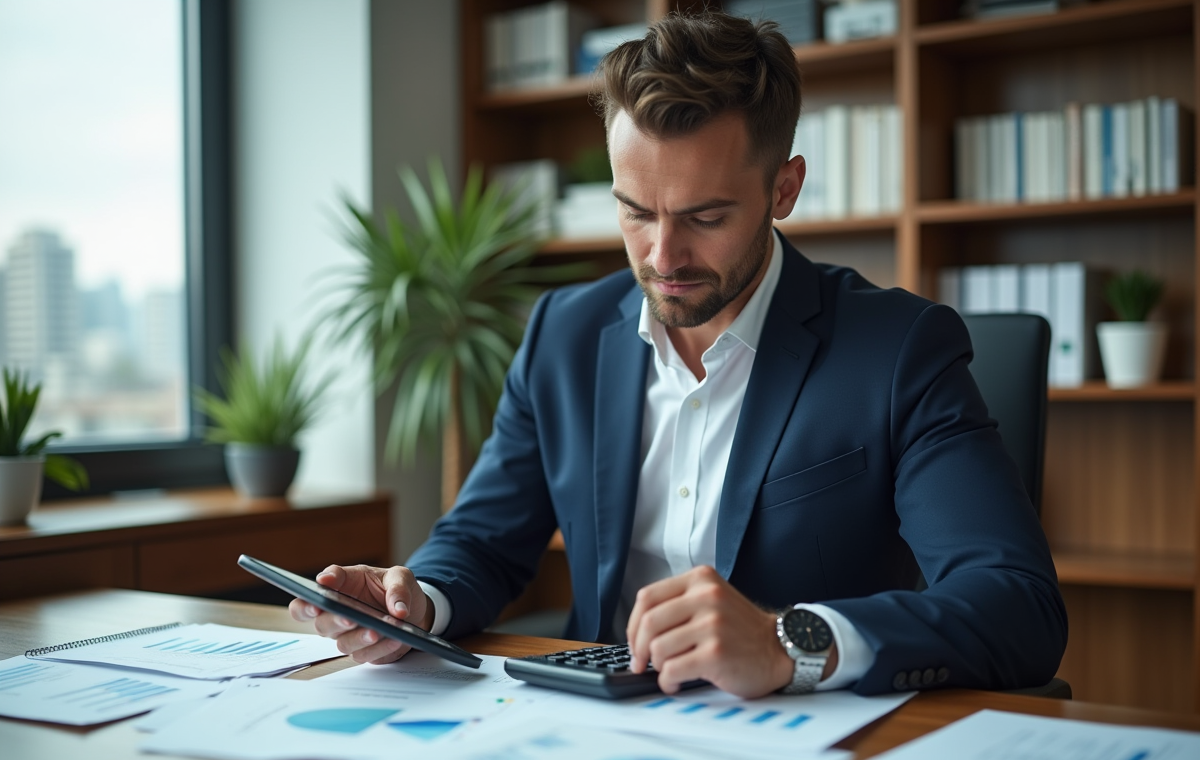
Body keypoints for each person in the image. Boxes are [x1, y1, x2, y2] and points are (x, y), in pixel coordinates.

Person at [291, 10, 1067, 699]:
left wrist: (789, 642)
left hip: (804, 746)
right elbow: (482, 541)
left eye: (705, 216)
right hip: (590, 734)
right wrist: (412, 604)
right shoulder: (563, 333)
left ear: (784, 189)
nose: (663, 255)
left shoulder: (899, 349)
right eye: (635, 212)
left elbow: (1016, 604)